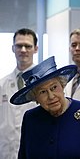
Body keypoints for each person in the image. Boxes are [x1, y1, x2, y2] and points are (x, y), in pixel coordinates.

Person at [10, 56, 80, 159]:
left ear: (62, 85)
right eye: (43, 92)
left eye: (54, 87)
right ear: (35, 97)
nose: (51, 96)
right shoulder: (30, 118)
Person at [0, 28, 38, 159]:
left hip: (35, 149)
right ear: (12, 48)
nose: (23, 50)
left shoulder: (45, 84)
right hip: (6, 152)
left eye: (28, 46)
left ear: (36, 49)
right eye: (19, 46)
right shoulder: (2, 84)